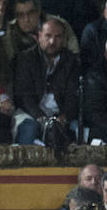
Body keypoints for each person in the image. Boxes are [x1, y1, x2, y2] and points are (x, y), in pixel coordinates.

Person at [12, 14, 80, 146]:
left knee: (77, 130)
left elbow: (73, 96)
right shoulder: (25, 59)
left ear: (64, 39)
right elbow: (24, 96)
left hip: (61, 114)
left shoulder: (71, 62)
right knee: (29, 128)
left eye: (58, 37)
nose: (52, 41)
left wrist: (63, 118)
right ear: (39, 36)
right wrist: (42, 119)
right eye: (48, 36)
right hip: (31, 113)